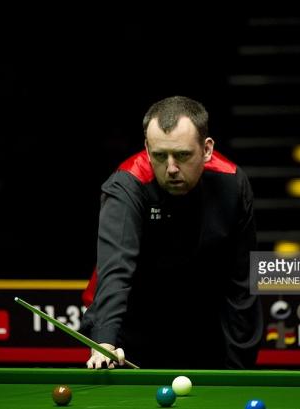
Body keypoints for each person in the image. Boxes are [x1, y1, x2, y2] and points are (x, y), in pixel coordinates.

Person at [80, 96, 263, 369]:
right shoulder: (127, 185)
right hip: (134, 317)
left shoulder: (232, 184)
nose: (171, 168)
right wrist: (105, 341)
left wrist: (240, 370)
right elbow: (116, 269)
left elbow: (242, 283)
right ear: (147, 147)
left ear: (207, 149)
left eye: (182, 155)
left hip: (202, 316)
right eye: (159, 156)